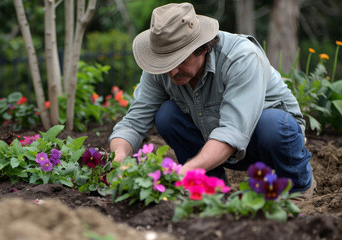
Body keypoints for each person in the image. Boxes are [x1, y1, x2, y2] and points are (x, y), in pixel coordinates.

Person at [109, 2, 316, 198]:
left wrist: (185, 171)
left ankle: (298, 187)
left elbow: (233, 133)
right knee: (166, 115)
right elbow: (133, 123)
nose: (171, 71)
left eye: (179, 60)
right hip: (212, 140)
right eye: (164, 61)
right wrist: (119, 158)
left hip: (266, 143)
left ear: (203, 48)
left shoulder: (241, 58)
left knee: (274, 125)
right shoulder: (161, 69)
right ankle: (213, 190)